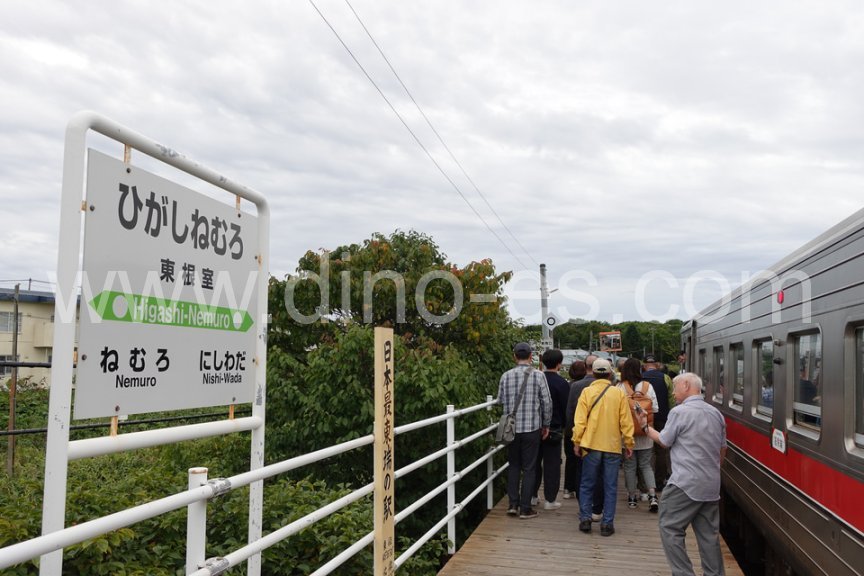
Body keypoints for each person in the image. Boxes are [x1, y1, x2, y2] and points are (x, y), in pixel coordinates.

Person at [637, 373, 727, 576]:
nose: (673, 393)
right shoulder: (715, 413)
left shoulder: (680, 412)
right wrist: (712, 470)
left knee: (670, 528)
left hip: (684, 483)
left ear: (686, 385)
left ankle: (683, 573)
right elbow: (722, 450)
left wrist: (644, 426)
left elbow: (665, 441)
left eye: (675, 387)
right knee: (708, 535)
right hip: (711, 484)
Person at [572, 358, 634, 536]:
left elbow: (580, 421)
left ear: (593, 372)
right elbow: (625, 421)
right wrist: (628, 443)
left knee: (586, 484)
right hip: (612, 445)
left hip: (591, 445)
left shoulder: (586, 392)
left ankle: (585, 519)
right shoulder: (618, 393)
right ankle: (607, 524)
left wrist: (577, 441)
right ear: (609, 373)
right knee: (610, 486)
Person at [498, 342, 552, 519]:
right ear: (531, 356)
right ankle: (525, 508)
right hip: (531, 428)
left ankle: (513, 504)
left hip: (511, 429)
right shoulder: (538, 375)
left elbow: (500, 400)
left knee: (514, 466)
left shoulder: (506, 376)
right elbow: (546, 402)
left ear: (514, 356)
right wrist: (546, 424)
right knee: (530, 468)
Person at [564, 355, 604, 519]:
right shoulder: (612, 387)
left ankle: (584, 503)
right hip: (603, 435)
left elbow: (571, 412)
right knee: (600, 471)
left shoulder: (576, 386)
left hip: (581, 435)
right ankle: (598, 507)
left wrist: (571, 435)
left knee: (581, 469)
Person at [617, 357, 660, 511]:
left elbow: (617, 411)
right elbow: (655, 409)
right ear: (640, 369)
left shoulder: (620, 387)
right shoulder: (648, 386)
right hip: (645, 432)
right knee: (646, 466)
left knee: (629, 466)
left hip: (627, 434)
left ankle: (632, 497)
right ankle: (652, 495)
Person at [532, 349, 571, 509]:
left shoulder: (535, 379)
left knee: (533, 463)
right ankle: (550, 500)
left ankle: (532, 496)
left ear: (542, 362)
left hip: (534, 427)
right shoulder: (562, 383)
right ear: (559, 364)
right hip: (554, 429)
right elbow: (565, 408)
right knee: (552, 464)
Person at [642, 354, 674, 489]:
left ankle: (644, 483)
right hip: (662, 417)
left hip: (644, 418)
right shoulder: (665, 378)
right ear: (658, 364)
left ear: (644, 365)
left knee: (644, 450)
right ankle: (659, 481)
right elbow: (671, 399)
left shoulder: (640, 378)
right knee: (661, 450)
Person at [562, 360, 587, 499]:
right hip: (584, 428)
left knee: (570, 458)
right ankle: (579, 488)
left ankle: (568, 487)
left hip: (569, 427)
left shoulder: (569, 386)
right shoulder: (588, 386)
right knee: (582, 459)